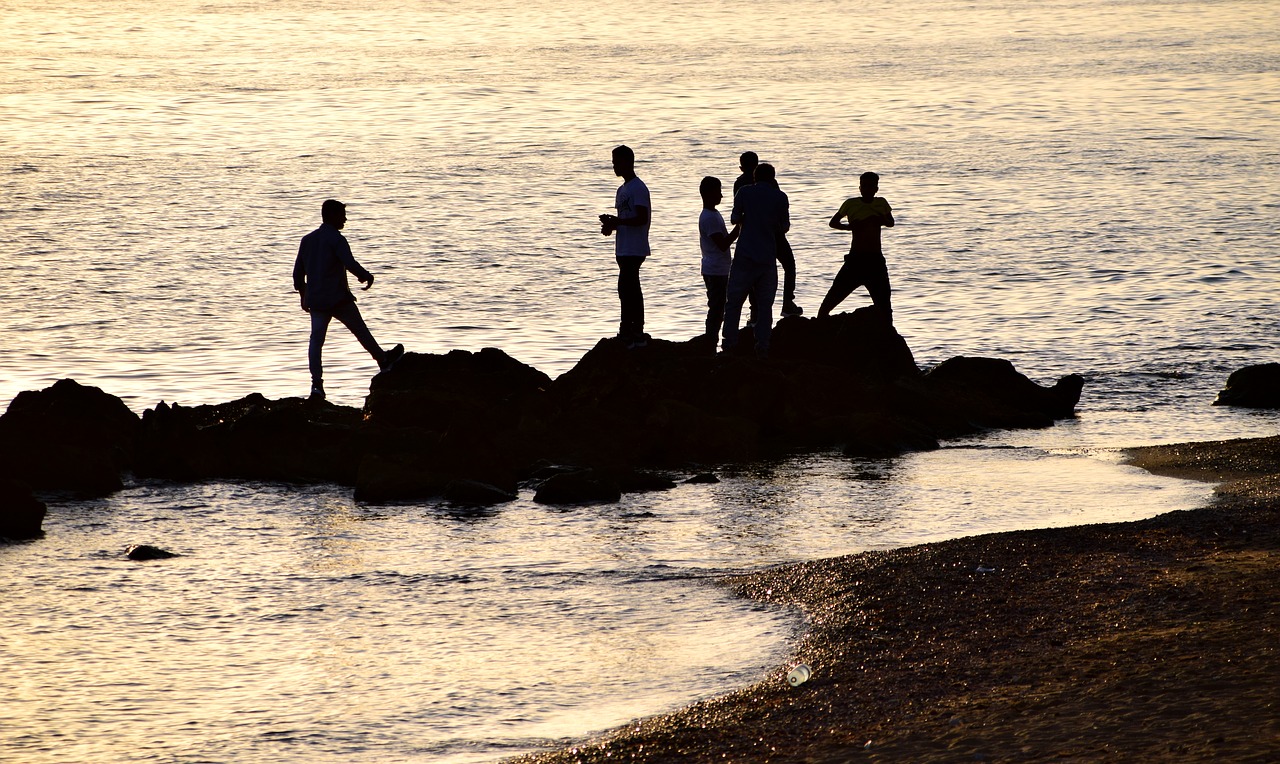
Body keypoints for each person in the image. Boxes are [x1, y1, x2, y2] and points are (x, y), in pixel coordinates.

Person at [293, 199, 403, 401]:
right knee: (360, 330)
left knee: (316, 342)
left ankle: (316, 386)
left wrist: (303, 296)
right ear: (332, 215)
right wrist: (366, 276)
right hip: (338, 298)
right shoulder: (336, 239)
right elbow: (349, 263)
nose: (345, 218)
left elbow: (298, 274)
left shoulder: (307, 240)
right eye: (342, 214)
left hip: (316, 300)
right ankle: (383, 361)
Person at [723, 163, 789, 356]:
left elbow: (735, 218)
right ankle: (762, 345)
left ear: (754, 177)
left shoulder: (744, 192)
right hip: (767, 256)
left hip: (745, 255)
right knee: (765, 304)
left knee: (734, 302)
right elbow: (784, 227)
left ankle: (729, 344)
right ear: (773, 178)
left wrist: (746, 217)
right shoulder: (780, 197)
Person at [817, 171, 896, 321]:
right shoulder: (851, 204)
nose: (867, 189)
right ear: (860, 188)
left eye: (871, 186)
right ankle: (819, 326)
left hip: (875, 261)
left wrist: (878, 218)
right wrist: (850, 227)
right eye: (864, 186)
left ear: (876, 189)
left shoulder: (881, 203)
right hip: (855, 260)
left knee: (885, 307)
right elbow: (833, 223)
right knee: (831, 299)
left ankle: (887, 336)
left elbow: (891, 223)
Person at [734, 151, 802, 317]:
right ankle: (787, 302)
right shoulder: (774, 186)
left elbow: (737, 215)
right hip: (774, 235)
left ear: (741, 167)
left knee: (752, 273)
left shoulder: (741, 185)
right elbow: (782, 218)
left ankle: (754, 310)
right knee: (789, 266)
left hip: (750, 236)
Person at [598, 145, 651, 348]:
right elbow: (625, 219)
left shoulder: (638, 188)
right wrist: (611, 226)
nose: (614, 166)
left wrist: (618, 222)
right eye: (613, 162)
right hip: (623, 247)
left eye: (617, 162)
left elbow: (641, 218)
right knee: (625, 288)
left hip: (635, 247)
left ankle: (634, 331)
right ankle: (629, 328)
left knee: (630, 287)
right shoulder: (621, 190)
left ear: (628, 162)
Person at [698, 176, 740, 339]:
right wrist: (739, 227)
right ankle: (711, 338)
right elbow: (722, 244)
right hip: (715, 271)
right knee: (716, 308)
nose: (721, 196)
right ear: (707, 194)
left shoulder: (713, 214)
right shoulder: (709, 217)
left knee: (718, 306)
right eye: (718, 192)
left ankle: (713, 338)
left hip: (717, 269)